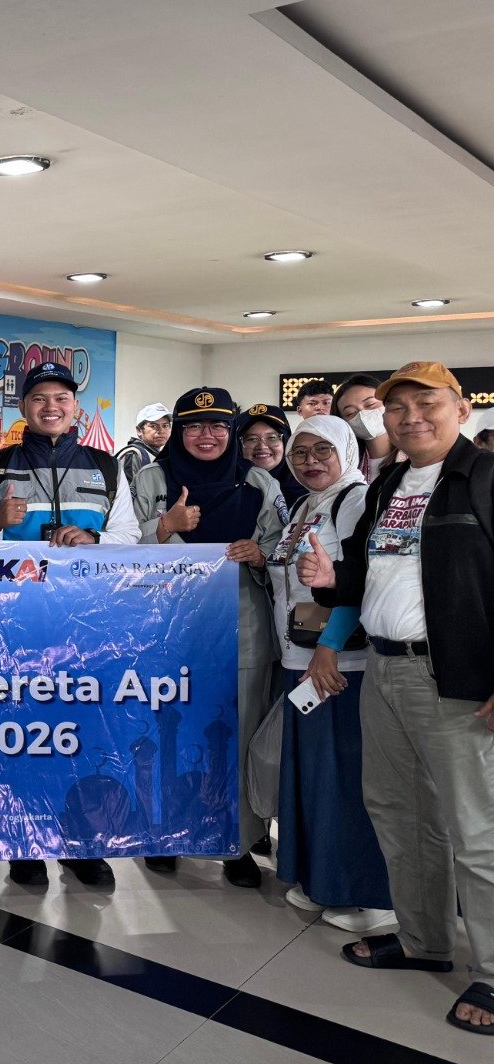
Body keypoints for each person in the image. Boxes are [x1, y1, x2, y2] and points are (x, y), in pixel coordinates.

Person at [299, 362, 494, 1036]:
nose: (411, 417)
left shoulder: (486, 477)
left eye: (427, 403)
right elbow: (361, 572)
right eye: (397, 407)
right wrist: (329, 582)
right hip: (383, 669)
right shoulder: (389, 484)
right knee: (400, 812)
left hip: (457, 679)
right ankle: (423, 940)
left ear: (461, 409)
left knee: (477, 832)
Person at [0, 361, 138, 887]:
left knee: (83, 735)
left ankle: (83, 845)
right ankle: (24, 846)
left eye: (61, 398)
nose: (51, 407)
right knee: (21, 734)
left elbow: (129, 538)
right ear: (23, 408)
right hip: (17, 625)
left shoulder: (106, 468)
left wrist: (95, 541)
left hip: (85, 627)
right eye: (40, 398)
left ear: (75, 407)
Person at [132, 387, 284, 888]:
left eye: (219, 425)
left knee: (236, 728)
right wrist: (164, 528)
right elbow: (121, 550)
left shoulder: (258, 481)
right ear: (178, 430)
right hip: (168, 623)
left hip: (242, 620)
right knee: (166, 724)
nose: (207, 435)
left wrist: (259, 556)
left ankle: (234, 840)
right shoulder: (152, 477)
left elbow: (280, 546)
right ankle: (164, 833)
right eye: (194, 425)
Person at [264, 416, 391, 932]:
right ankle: (321, 879)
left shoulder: (356, 500)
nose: (311, 460)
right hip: (300, 658)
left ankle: (368, 896)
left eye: (323, 451)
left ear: (346, 451)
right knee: (314, 777)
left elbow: (360, 583)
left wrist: (330, 650)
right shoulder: (303, 504)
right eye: (300, 452)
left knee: (346, 780)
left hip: (339, 665)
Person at [236, 403, 302, 512]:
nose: (262, 446)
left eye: (272, 437)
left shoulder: (307, 487)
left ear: (286, 442)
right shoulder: (228, 490)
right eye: (252, 439)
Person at [334, 374, 398, 482]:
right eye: (350, 413)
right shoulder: (345, 467)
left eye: (371, 404)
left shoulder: (415, 457)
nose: (362, 414)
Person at [116, 402, 171, 490]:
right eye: (153, 426)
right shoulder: (134, 454)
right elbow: (129, 496)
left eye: (165, 426)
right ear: (139, 430)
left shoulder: (159, 455)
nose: (161, 431)